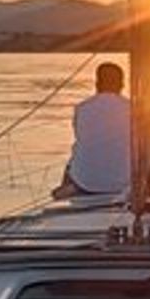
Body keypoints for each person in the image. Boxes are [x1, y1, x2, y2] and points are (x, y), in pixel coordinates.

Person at [51, 62, 131, 198]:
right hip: (125, 183)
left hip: (85, 183)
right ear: (122, 84)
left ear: (97, 83)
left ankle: (66, 196)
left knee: (71, 162)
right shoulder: (133, 109)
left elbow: (80, 137)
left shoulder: (82, 108)